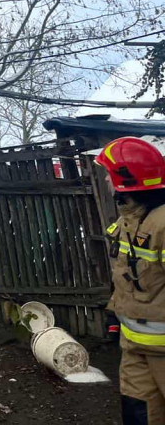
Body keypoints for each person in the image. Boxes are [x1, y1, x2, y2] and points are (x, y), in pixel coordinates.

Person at [98, 137, 165, 425]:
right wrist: (116, 316)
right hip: (134, 347)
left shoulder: (161, 224)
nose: (104, 178)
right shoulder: (129, 219)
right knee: (139, 415)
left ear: (125, 180)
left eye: (108, 173)